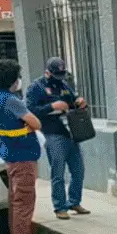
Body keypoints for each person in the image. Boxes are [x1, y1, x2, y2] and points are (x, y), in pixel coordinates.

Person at [0, 59, 46, 234]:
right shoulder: (11, 100)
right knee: (24, 201)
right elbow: (36, 123)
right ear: (11, 80)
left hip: (9, 152)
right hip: (23, 154)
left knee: (15, 200)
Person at [26, 57, 90, 220]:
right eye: (57, 74)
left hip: (70, 133)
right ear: (47, 72)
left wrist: (79, 102)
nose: (60, 77)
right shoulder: (36, 87)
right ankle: (60, 207)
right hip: (52, 134)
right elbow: (30, 110)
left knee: (78, 170)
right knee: (58, 172)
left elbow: (72, 102)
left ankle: (74, 201)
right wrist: (52, 107)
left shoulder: (64, 85)